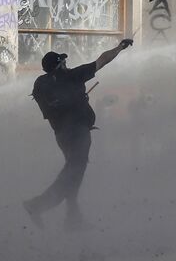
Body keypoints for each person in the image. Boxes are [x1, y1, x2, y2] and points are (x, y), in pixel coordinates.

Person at [23, 39, 133, 230]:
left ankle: (72, 218)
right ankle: (38, 205)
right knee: (74, 171)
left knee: (74, 170)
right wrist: (120, 47)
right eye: (63, 63)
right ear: (59, 66)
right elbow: (103, 60)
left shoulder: (41, 84)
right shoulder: (72, 76)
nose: (67, 65)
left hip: (61, 135)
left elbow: (52, 108)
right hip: (78, 132)